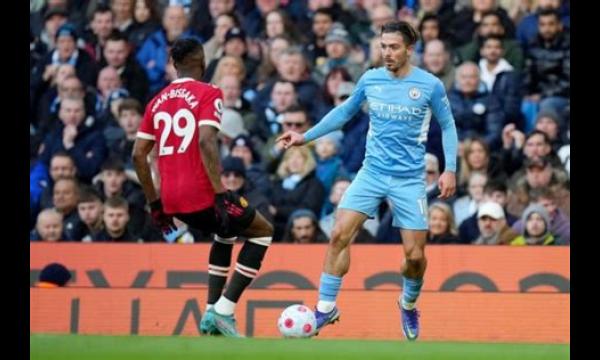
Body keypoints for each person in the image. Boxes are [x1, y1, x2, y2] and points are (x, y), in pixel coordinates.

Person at [277, 21, 458, 341]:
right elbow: (344, 112)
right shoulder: (370, 79)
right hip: (371, 173)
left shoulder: (429, 85)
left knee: (414, 258)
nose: (387, 53)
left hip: (409, 180)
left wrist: (450, 168)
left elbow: (448, 127)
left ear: (409, 49)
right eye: (383, 46)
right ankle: (326, 307)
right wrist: (305, 136)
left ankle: (408, 302)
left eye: (393, 47)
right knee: (337, 235)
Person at [132, 38, 273, 337]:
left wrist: (154, 203)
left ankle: (211, 313)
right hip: (202, 192)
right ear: (203, 62)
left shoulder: (155, 101)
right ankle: (224, 310)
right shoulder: (209, 92)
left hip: (170, 196)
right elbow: (206, 139)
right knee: (262, 232)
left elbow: (138, 155)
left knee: (226, 232)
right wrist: (220, 193)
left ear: (173, 64)